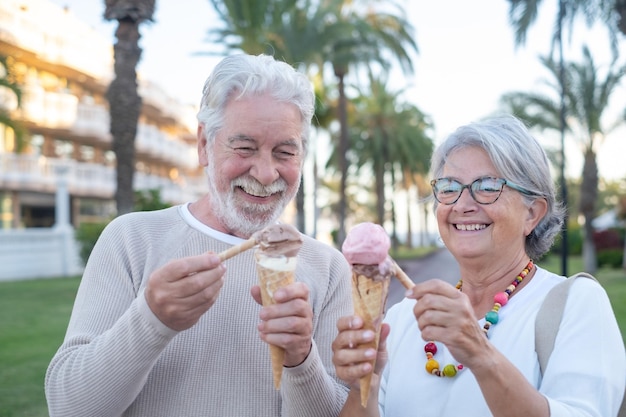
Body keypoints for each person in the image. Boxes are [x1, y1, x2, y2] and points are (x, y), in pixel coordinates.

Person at [45, 54, 352, 417]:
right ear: (204, 144)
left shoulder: (328, 268)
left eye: (285, 152)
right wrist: (151, 319)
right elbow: (69, 407)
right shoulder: (131, 240)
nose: (267, 173)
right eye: (245, 148)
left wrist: (300, 359)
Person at [332, 115, 626, 416]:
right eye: (449, 186)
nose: (462, 204)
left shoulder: (575, 305)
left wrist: (478, 351)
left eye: (487, 186)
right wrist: (361, 386)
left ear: (533, 213)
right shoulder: (403, 317)